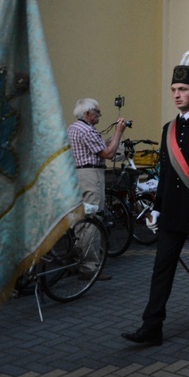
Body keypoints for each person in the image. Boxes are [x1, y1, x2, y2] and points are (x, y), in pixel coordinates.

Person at [122, 42, 189, 346]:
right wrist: (157, 207)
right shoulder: (168, 128)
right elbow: (167, 173)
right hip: (171, 211)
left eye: (183, 89)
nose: (177, 94)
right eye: (173, 89)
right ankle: (152, 326)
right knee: (161, 269)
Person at [67, 98, 127, 281]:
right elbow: (108, 154)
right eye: (97, 113)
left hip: (75, 176)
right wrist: (118, 132)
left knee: (81, 220)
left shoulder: (72, 129)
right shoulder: (87, 131)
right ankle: (89, 267)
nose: (99, 116)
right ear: (87, 114)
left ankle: (77, 261)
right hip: (90, 178)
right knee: (93, 219)